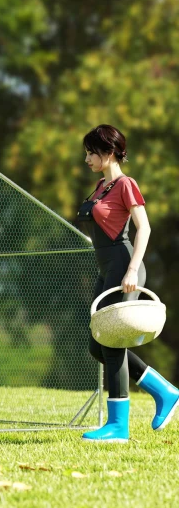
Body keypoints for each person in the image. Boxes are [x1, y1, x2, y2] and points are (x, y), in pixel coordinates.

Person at [77, 124, 179, 443]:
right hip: (106, 270)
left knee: (110, 342)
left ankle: (118, 426)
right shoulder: (99, 187)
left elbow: (143, 228)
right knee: (98, 343)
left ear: (109, 153)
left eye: (92, 152)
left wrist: (132, 270)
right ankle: (164, 390)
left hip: (124, 268)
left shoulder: (126, 184)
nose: (87, 159)